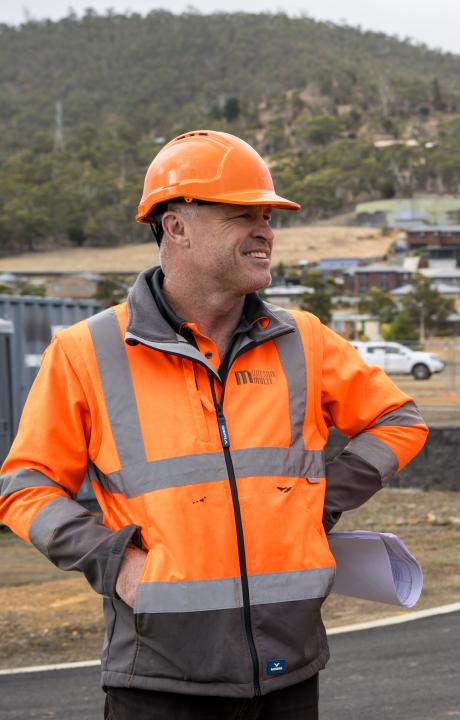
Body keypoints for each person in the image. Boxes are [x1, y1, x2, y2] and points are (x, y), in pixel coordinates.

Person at [0, 129, 429, 719]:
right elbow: (25, 484)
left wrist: (318, 500)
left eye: (268, 217)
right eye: (242, 215)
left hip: (290, 671)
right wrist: (113, 560)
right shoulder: (87, 352)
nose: (265, 232)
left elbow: (399, 421)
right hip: (158, 680)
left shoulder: (303, 340)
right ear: (175, 226)